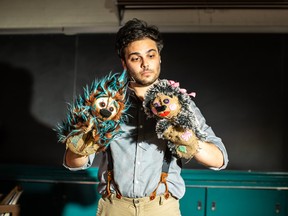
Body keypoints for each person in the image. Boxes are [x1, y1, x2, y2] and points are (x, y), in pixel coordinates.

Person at [63, 18, 228, 216]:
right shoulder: (106, 104)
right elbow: (73, 163)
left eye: (151, 55)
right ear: (124, 63)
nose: (145, 64)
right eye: (135, 58)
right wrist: (84, 144)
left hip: (161, 207)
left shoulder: (180, 103)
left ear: (159, 58)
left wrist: (190, 141)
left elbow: (219, 160)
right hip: (115, 207)